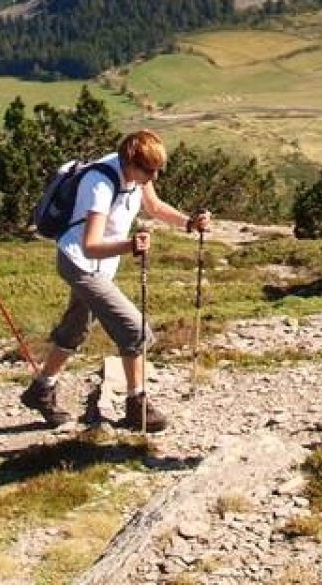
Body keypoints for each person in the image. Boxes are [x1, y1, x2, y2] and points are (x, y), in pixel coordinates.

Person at [20, 130, 209, 433]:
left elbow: (155, 207)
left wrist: (188, 223)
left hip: (99, 264)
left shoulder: (135, 176)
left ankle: (41, 390)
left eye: (157, 169)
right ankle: (137, 404)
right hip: (80, 263)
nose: (154, 176)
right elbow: (90, 244)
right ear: (130, 162)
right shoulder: (99, 184)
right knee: (134, 328)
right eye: (149, 170)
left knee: (75, 329)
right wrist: (130, 245)